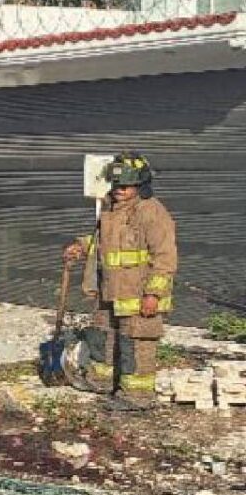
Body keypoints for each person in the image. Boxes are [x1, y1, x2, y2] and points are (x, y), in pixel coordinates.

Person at [63, 152, 177, 412]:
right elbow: (103, 242)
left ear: (140, 186)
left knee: (135, 344)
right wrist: (81, 246)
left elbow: (165, 257)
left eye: (126, 186)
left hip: (138, 295)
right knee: (103, 337)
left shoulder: (152, 213)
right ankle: (101, 382)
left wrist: (153, 294)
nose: (120, 191)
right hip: (110, 290)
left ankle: (136, 397)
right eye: (116, 185)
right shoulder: (110, 210)